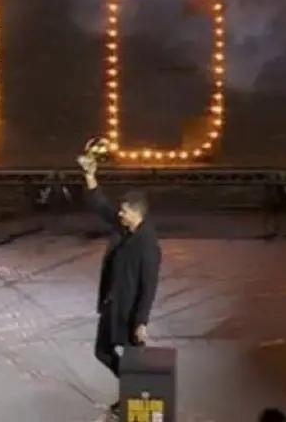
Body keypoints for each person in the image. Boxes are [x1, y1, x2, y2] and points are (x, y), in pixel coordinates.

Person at [79, 144, 161, 417]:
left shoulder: (147, 245)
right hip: (113, 306)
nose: (120, 213)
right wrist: (90, 176)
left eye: (124, 211)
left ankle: (140, 402)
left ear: (137, 213)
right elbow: (101, 207)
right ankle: (132, 390)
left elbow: (148, 286)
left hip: (129, 313)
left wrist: (141, 321)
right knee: (102, 352)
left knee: (133, 358)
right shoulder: (124, 228)